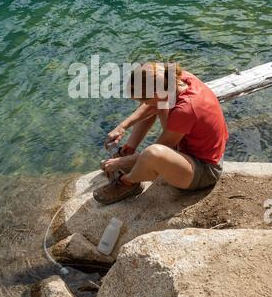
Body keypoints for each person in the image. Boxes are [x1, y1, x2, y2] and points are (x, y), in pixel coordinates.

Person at [93, 62, 229, 205]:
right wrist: (122, 126)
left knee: (153, 153)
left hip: (205, 170)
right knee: (158, 104)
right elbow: (152, 105)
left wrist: (120, 163)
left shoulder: (186, 109)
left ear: (157, 93)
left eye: (143, 99)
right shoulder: (175, 78)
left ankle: (127, 182)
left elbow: (156, 152)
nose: (143, 103)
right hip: (190, 149)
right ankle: (129, 150)